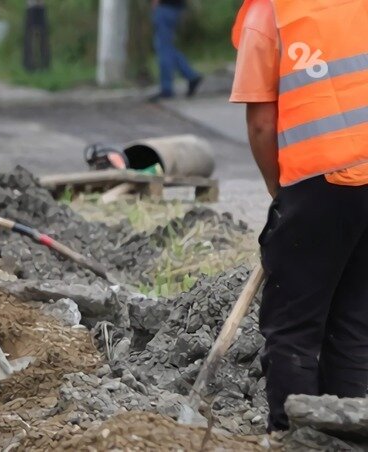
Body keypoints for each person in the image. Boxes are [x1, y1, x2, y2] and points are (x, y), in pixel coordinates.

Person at [231, 0, 368, 433]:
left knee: (293, 328)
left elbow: (261, 124)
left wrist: (281, 194)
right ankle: (348, 437)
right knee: (353, 326)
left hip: (319, 182)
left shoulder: (268, 13)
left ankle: (294, 440)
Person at [149, 0, 203, 101]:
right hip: (176, 8)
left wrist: (155, 3)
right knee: (167, 47)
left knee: (163, 49)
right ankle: (190, 75)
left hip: (164, 8)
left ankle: (167, 88)